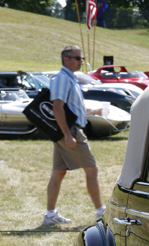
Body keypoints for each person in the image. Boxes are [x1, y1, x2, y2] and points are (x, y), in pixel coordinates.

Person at [44, 45, 104, 226]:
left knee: (58, 172)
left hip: (69, 130)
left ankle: (50, 215)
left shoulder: (71, 79)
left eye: (81, 58)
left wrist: (92, 111)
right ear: (66, 59)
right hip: (70, 132)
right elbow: (57, 107)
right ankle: (101, 212)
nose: (81, 62)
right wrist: (67, 135)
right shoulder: (61, 78)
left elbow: (70, 107)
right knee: (92, 169)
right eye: (77, 58)